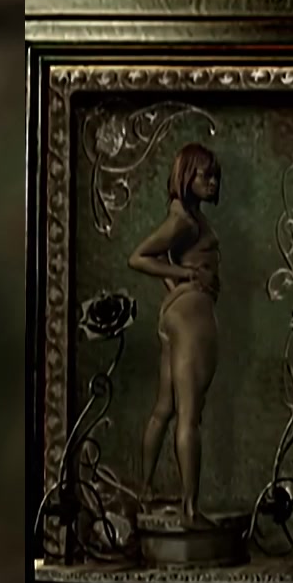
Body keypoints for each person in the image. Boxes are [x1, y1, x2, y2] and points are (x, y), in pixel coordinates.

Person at [129, 143, 222, 529]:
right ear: (186, 176)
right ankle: (190, 510)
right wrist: (187, 278)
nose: (213, 182)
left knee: (164, 409)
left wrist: (176, 286)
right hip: (192, 314)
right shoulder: (184, 221)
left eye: (215, 175)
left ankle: (146, 489)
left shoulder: (186, 215)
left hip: (176, 313)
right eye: (205, 175)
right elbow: (138, 257)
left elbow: (164, 261)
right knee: (189, 414)